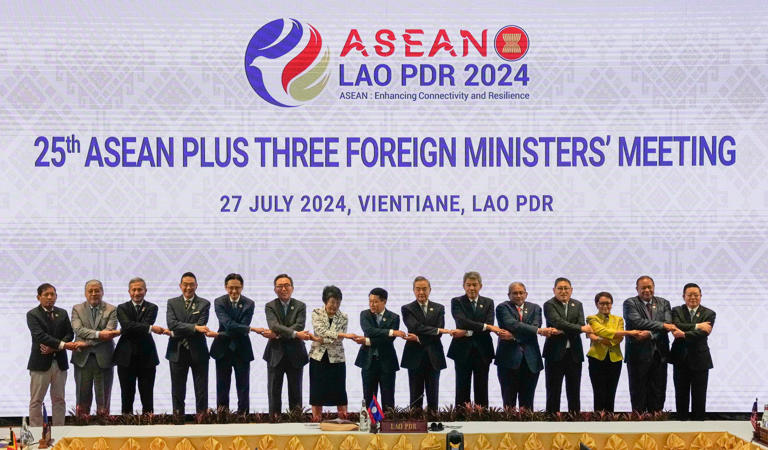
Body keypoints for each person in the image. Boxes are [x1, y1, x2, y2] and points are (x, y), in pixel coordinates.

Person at [495, 282, 557, 410]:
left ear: (526, 294)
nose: (518, 296)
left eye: (521, 292)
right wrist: (536, 331)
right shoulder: (502, 307)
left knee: (528, 403)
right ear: (509, 295)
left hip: (531, 361)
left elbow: (534, 327)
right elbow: (511, 324)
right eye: (515, 293)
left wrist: (513, 336)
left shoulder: (536, 308)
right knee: (508, 402)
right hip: (508, 361)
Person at [623, 275, 679, 413]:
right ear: (637, 289)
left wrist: (650, 334)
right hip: (637, 355)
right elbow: (637, 322)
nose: (647, 290)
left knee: (658, 391)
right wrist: (663, 325)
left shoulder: (664, 303)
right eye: (643, 288)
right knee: (638, 391)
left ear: (653, 287)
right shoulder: (630, 303)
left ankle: (657, 422)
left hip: (659, 354)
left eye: (649, 287)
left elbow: (668, 326)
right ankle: (638, 423)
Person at [27, 283, 80, 426]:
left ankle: (59, 431)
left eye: (53, 294)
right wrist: (63, 345)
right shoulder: (32, 314)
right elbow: (40, 336)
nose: (50, 297)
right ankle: (37, 434)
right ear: (39, 297)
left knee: (59, 399)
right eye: (46, 295)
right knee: (36, 400)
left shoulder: (62, 313)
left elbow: (69, 334)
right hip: (40, 363)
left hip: (60, 363)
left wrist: (55, 349)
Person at [113, 277, 168, 414]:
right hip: (125, 358)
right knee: (126, 396)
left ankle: (149, 430)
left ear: (145, 291)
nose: (137, 293)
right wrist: (150, 328)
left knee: (147, 396)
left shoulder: (152, 307)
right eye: (134, 290)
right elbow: (126, 326)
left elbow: (130, 327)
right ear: (129, 291)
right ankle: (125, 428)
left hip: (147, 358)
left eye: (140, 289)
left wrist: (134, 327)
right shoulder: (122, 308)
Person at [447, 271, 501, 408]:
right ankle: (460, 417)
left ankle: (482, 418)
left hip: (483, 350)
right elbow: (461, 321)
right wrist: (485, 326)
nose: (472, 288)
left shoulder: (488, 302)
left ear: (480, 286)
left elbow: (489, 323)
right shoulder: (457, 301)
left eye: (475, 285)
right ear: (463, 286)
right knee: (461, 387)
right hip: (461, 350)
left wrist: (466, 331)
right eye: (468, 285)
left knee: (482, 386)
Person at [400, 276, 453, 411]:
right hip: (414, 356)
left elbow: (440, 333)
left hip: (434, 356)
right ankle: (416, 424)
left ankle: (434, 423)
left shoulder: (439, 308)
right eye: (418, 289)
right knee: (415, 394)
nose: (421, 292)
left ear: (430, 290)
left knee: (433, 394)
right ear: (413, 290)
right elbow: (415, 327)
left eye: (424, 289)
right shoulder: (407, 308)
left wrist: (419, 338)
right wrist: (434, 330)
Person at [263, 273, 312, 415]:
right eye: (279, 286)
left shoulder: (300, 306)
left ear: (292, 288)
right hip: (275, 354)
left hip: (295, 354)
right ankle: (274, 423)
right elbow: (273, 325)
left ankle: (296, 423)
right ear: (274, 289)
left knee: (296, 393)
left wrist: (277, 334)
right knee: (273, 392)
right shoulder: (270, 306)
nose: (283, 289)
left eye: (286, 285)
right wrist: (295, 334)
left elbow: (299, 325)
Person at [585, 292, 641, 413]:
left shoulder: (619, 319)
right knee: (598, 391)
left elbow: (618, 338)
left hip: (615, 359)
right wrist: (628, 333)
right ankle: (598, 419)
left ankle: (610, 419)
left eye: (608, 303)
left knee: (611, 391)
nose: (605, 306)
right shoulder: (591, 318)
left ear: (612, 304)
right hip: (596, 358)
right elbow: (602, 331)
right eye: (602, 303)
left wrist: (600, 339)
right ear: (596, 304)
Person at [542, 277, 591, 413]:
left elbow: (581, 324)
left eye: (566, 288)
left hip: (574, 354)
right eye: (560, 288)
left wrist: (564, 330)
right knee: (553, 391)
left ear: (571, 290)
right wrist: (579, 329)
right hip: (554, 354)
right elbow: (557, 322)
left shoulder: (578, 304)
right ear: (554, 290)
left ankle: (574, 421)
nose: (563, 291)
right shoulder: (549, 304)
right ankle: (551, 421)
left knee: (574, 391)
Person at [207, 273, 255, 414]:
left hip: (242, 349)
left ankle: (243, 417)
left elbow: (242, 329)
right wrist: (249, 329)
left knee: (243, 387)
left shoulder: (249, 303)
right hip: (222, 349)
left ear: (242, 287)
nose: (234, 291)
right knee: (222, 386)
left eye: (237, 288)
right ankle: (223, 417)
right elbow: (228, 324)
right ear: (225, 287)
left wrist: (219, 334)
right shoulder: (219, 302)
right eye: (231, 288)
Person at [165, 272, 211, 416]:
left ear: (196, 286)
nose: (188, 287)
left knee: (201, 389)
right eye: (185, 284)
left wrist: (175, 331)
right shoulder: (172, 302)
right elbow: (171, 324)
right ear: (180, 286)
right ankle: (178, 420)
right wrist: (194, 327)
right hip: (177, 351)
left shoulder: (204, 303)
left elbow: (201, 325)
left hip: (199, 351)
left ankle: (202, 419)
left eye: (191, 284)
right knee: (178, 390)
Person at [353, 287, 406, 412]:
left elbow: (388, 341)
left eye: (375, 301)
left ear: (384, 302)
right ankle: (371, 425)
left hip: (387, 362)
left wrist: (367, 341)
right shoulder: (365, 314)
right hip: (368, 361)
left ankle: (387, 427)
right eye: (370, 301)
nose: (372, 304)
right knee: (369, 397)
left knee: (388, 397)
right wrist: (392, 332)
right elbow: (369, 331)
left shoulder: (394, 317)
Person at [71, 279, 119, 415]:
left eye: (97, 290)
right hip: (82, 359)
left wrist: (86, 343)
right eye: (90, 291)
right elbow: (78, 330)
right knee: (82, 399)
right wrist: (99, 334)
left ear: (102, 292)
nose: (93, 293)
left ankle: (103, 430)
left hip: (104, 359)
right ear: (85, 293)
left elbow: (109, 334)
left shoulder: (112, 309)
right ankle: (82, 430)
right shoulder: (77, 309)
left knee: (103, 401)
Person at [308, 285, 355, 421]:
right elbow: (320, 330)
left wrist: (322, 338)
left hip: (337, 358)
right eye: (332, 302)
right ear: (325, 301)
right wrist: (341, 335)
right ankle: (317, 420)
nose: (335, 305)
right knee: (317, 391)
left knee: (339, 391)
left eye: (338, 302)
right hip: (318, 357)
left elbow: (337, 339)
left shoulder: (343, 316)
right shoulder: (316, 312)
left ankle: (343, 420)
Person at [670, 283, 715, 420]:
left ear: (701, 296)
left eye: (696, 295)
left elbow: (703, 334)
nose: (693, 298)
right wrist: (697, 325)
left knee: (699, 395)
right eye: (689, 295)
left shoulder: (709, 313)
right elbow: (676, 325)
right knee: (681, 394)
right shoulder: (676, 310)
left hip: (700, 359)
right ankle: (681, 422)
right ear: (684, 296)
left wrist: (683, 334)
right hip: (680, 358)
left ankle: (698, 424)